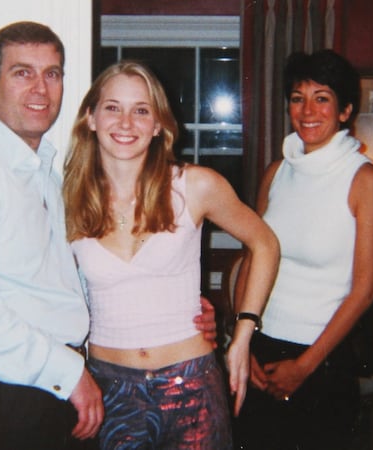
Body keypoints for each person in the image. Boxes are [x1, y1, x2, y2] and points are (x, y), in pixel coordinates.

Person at [0, 22, 217, 450]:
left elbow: (62, 282)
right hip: (4, 395)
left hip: (50, 392)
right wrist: (70, 372)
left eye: (53, 74)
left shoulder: (46, 174)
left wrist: (180, 306)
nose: (40, 88)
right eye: (23, 72)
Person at [63, 61, 280, 449]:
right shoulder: (67, 200)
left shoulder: (195, 186)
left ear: (158, 124)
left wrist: (243, 334)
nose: (126, 122)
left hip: (192, 386)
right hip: (108, 391)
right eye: (113, 107)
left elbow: (264, 243)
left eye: (141, 110)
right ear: (90, 118)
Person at [232, 49, 373, 450]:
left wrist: (305, 367)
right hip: (261, 349)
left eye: (322, 97)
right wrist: (242, 340)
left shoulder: (364, 180)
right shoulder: (277, 172)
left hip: (323, 359)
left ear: (345, 110)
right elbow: (251, 260)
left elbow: (365, 289)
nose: (308, 110)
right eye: (298, 98)